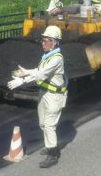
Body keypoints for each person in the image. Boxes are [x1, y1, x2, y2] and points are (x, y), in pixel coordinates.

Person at [7, 25, 68, 168]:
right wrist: (26, 72)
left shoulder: (57, 59)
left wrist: (22, 81)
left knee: (49, 125)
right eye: (43, 40)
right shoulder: (47, 56)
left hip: (54, 96)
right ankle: (49, 145)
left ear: (54, 42)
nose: (42, 43)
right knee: (42, 124)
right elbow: (39, 70)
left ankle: (53, 154)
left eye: (45, 40)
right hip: (44, 93)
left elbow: (42, 74)